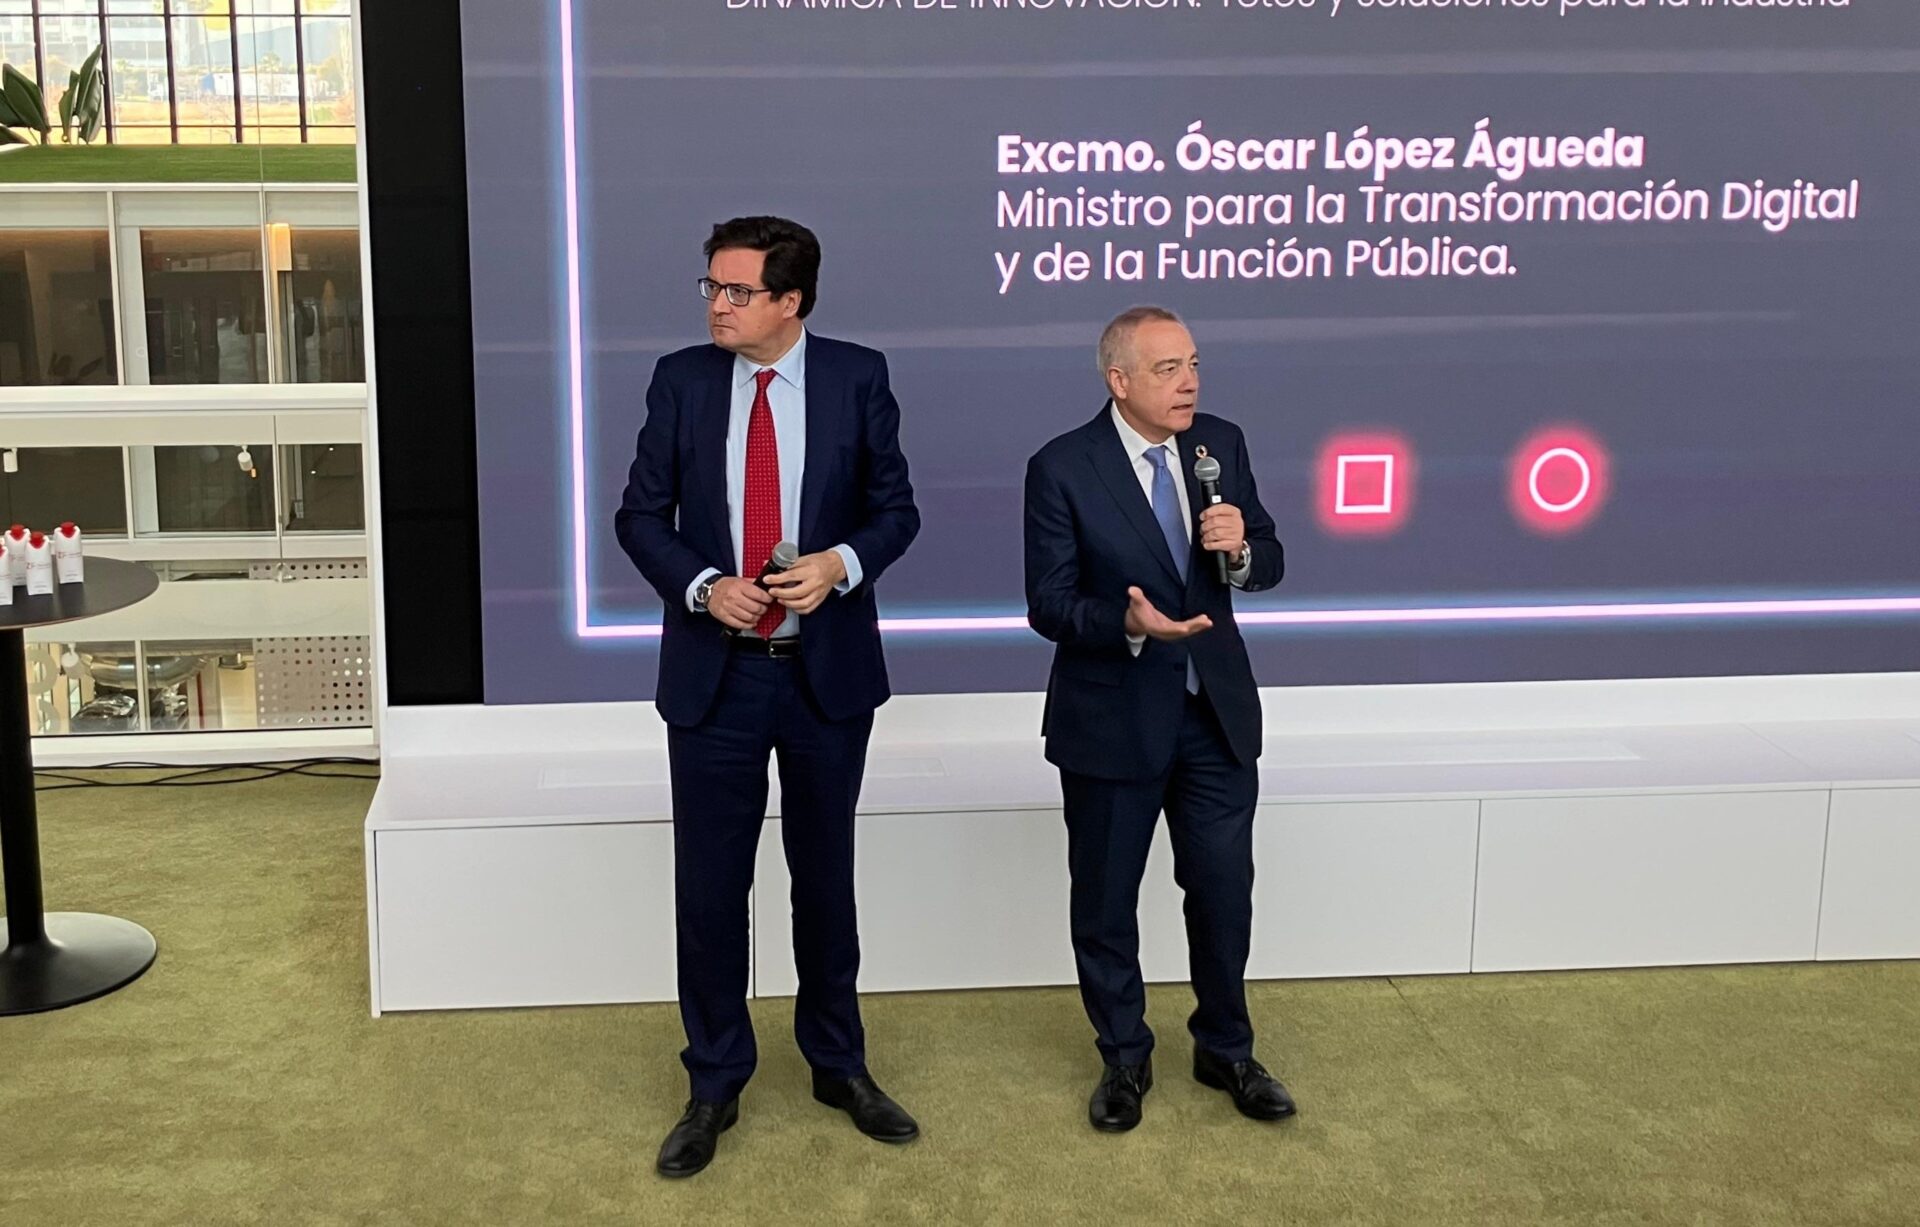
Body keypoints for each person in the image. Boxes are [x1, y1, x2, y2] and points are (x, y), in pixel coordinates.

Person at [615, 215, 921, 1178]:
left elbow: (897, 511)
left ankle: (839, 1064)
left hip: (826, 675)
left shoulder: (857, 376)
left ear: (790, 301)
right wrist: (705, 585)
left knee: (825, 879)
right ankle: (714, 1080)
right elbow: (639, 516)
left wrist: (840, 563)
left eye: (737, 291)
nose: (717, 304)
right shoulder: (682, 380)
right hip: (718, 676)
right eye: (710, 286)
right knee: (711, 890)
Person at [1022, 305, 1296, 1133]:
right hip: (1112, 718)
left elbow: (1270, 560)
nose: (1189, 383)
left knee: (1222, 892)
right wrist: (1128, 622)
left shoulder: (1221, 445)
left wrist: (1240, 548)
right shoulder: (1062, 466)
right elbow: (1049, 604)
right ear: (1119, 380)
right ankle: (1124, 1056)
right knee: (1106, 901)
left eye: (1194, 364)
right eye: (1168, 368)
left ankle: (1226, 1048)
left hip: (1214, 715)